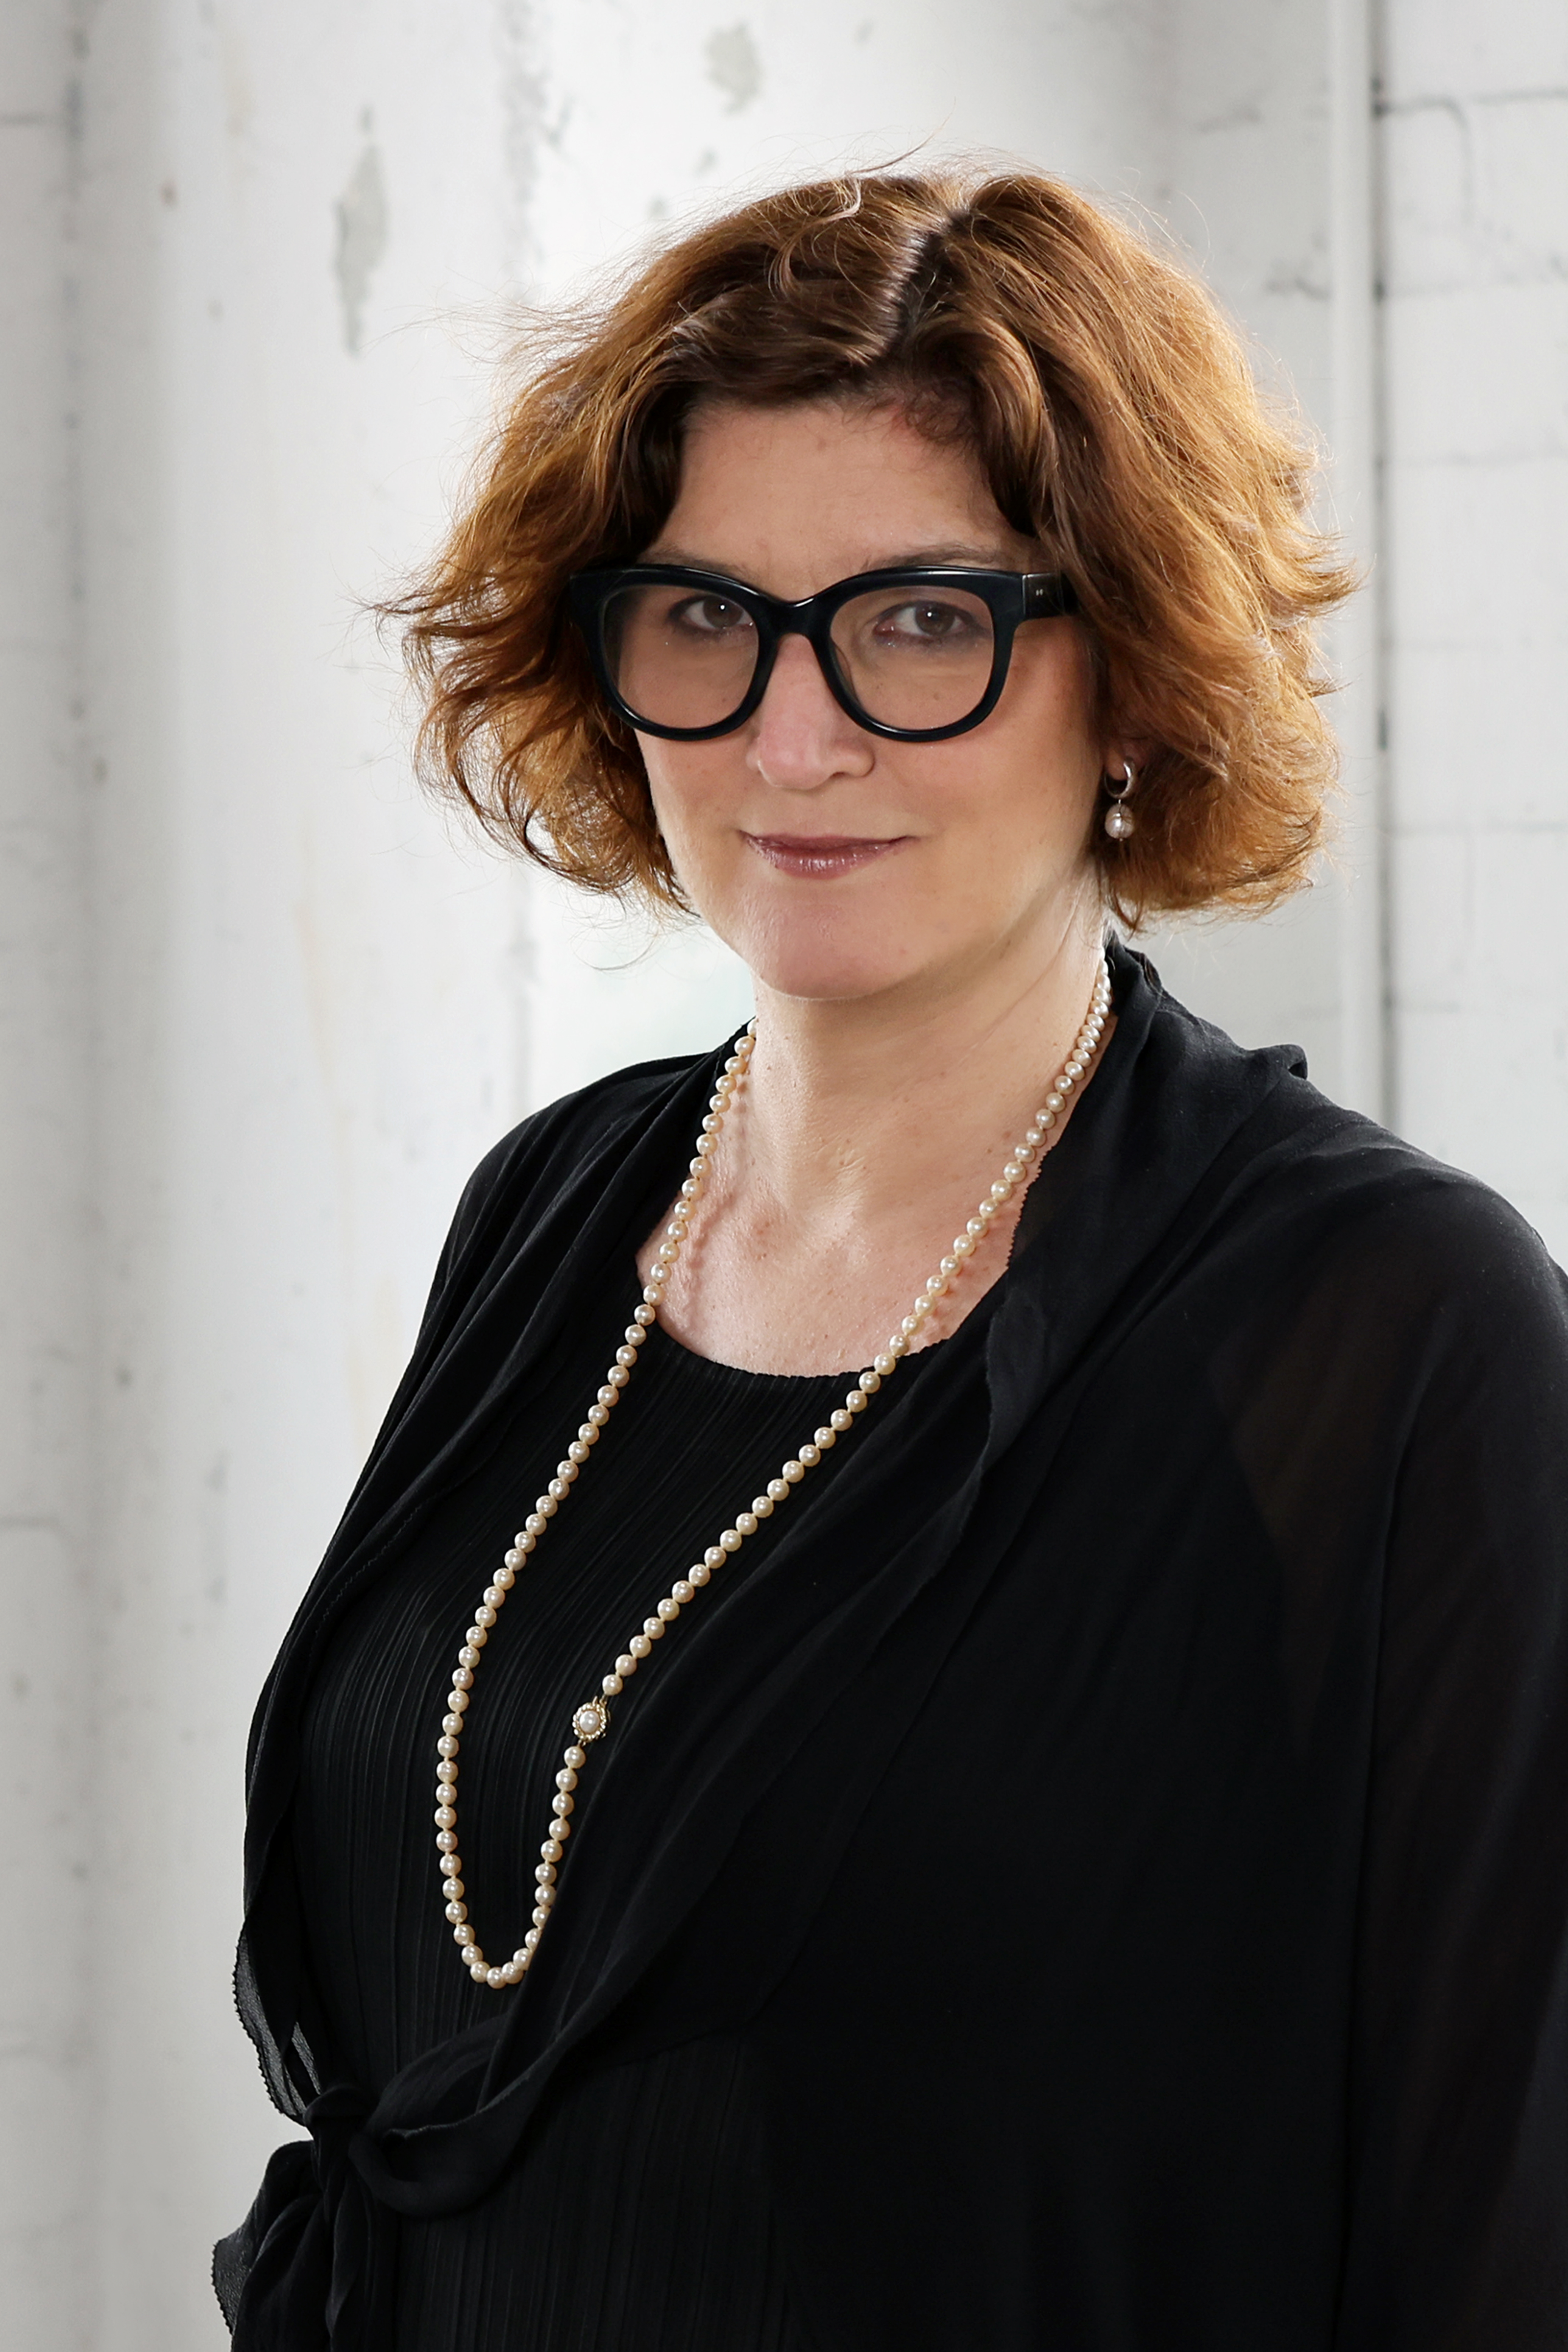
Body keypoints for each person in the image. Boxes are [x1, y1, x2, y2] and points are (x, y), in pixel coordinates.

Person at [216, 170, 1568, 2351]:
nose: (790, 735)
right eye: (704, 617)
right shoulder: (553, 1213)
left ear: (1130, 673)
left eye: (923, 621)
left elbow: (1495, 2223)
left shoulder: (1383, 1328)